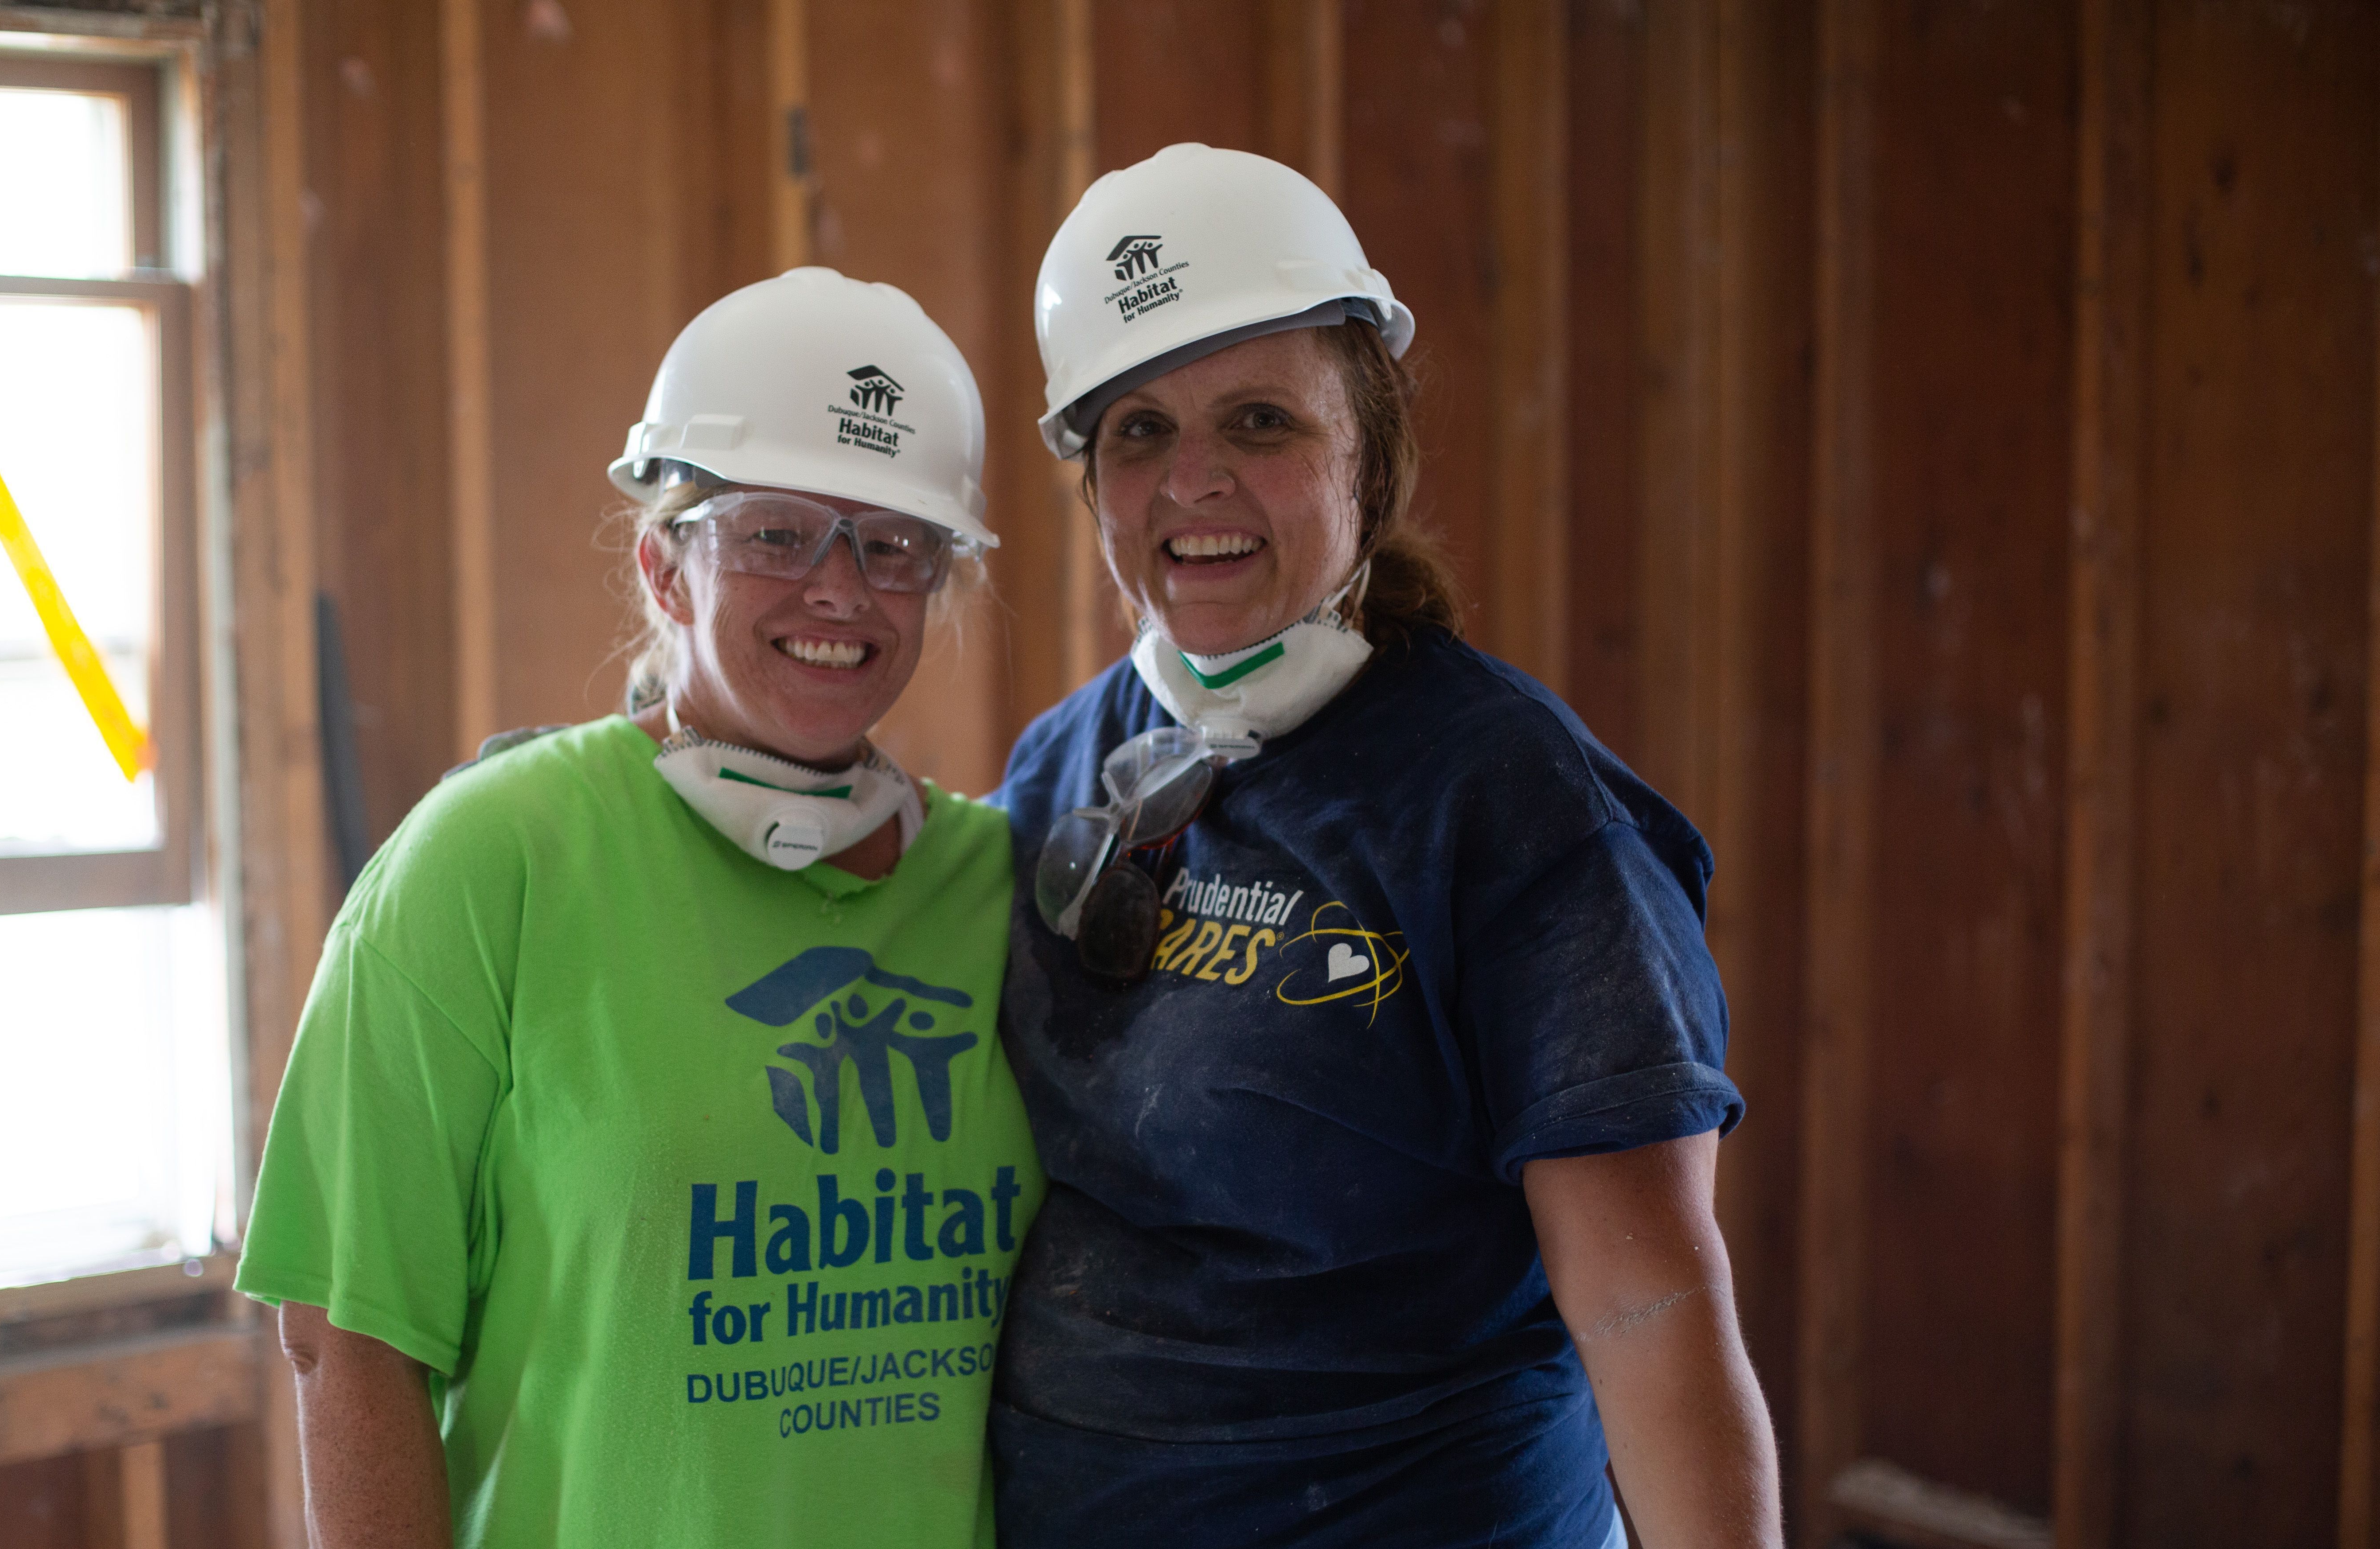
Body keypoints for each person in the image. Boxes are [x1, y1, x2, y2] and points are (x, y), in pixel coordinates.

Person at [989, 144, 1780, 1548]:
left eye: (1260, 421)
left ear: (1370, 443)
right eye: (1140, 433)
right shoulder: (1059, 767)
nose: (1196, 483)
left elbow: (1654, 1306)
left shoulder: (1510, 805)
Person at [236, 267, 1045, 1547]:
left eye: (892, 546)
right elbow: (345, 1335)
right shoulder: (487, 862)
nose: (839, 589)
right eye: (776, 532)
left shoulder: (995, 886)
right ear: (665, 564)